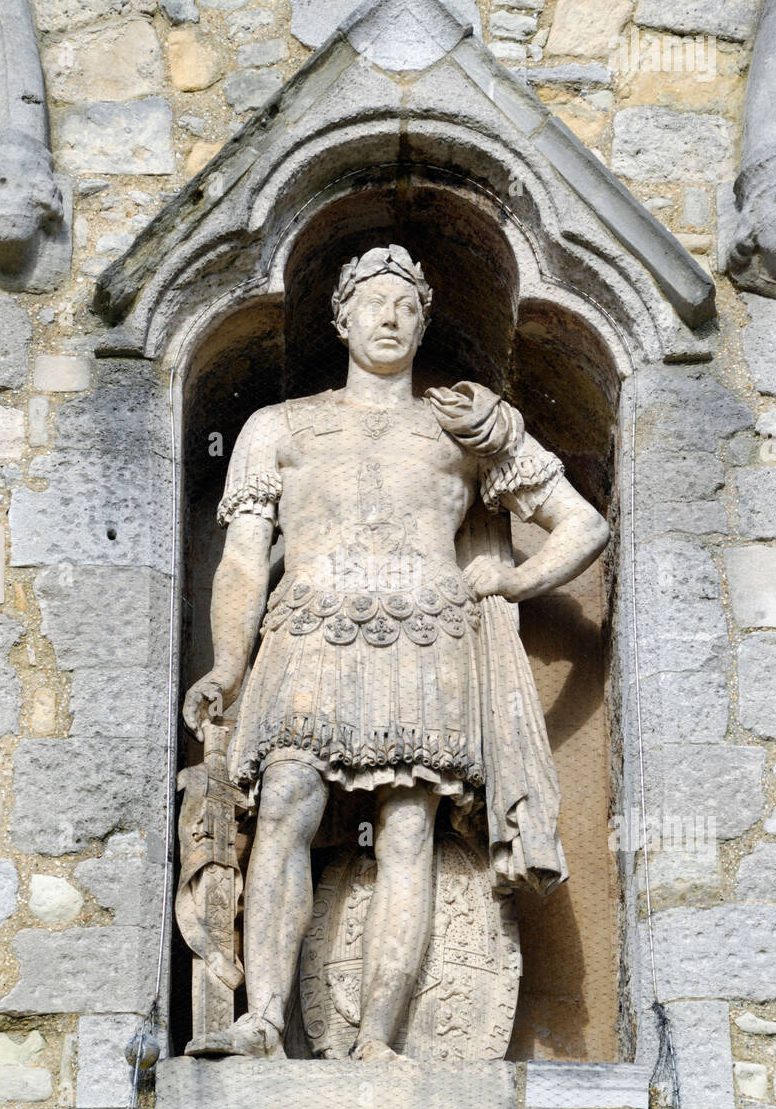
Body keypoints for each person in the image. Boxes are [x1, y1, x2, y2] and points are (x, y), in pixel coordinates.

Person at [183, 245, 609, 1061]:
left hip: (428, 640)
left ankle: (379, 1038)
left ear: (423, 323)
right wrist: (226, 665)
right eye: (375, 302)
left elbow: (584, 524)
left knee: (409, 828)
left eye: (408, 306)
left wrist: (511, 585)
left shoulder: (464, 426)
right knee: (285, 804)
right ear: (341, 318)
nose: (391, 317)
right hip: (308, 631)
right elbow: (242, 560)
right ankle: (264, 1019)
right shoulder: (280, 427)